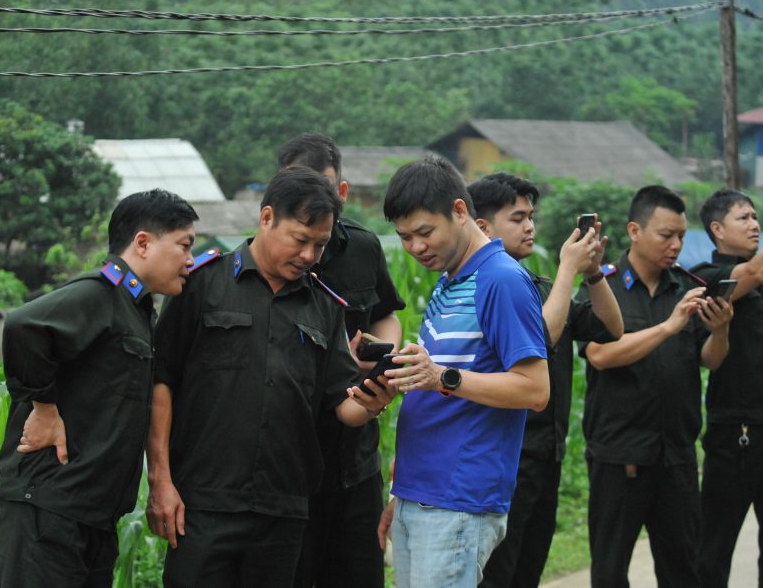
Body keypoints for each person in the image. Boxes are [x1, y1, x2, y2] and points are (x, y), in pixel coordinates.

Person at [145, 166, 396, 588]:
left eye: (320, 245)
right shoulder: (202, 284)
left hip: (284, 509)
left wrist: (374, 401)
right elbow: (161, 381)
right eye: (300, 240)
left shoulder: (324, 306)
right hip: (203, 504)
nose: (309, 255)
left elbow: (343, 405)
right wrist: (160, 481)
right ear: (266, 218)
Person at [0, 189, 199, 588]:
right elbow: (24, 326)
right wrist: (44, 408)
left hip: (91, 514)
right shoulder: (100, 293)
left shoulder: (136, 309)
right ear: (143, 243)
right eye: (184, 245)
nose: (190, 260)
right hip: (50, 508)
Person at [375, 156, 550, 588]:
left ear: (459, 210)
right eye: (405, 237)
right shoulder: (450, 280)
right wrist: (402, 491)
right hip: (421, 494)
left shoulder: (501, 279)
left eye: (425, 232)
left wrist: (443, 377)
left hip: (458, 499)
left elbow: (534, 389)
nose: (416, 247)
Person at [469, 173, 623, 588]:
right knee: (497, 575)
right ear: (483, 227)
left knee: (528, 572)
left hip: (547, 456)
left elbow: (612, 328)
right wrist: (569, 268)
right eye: (517, 218)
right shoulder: (484, 287)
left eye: (531, 217)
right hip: (505, 459)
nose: (530, 227)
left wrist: (593, 273)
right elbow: (538, 340)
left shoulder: (541, 287)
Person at [580, 185, 733, 588]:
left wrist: (720, 330)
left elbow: (711, 360)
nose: (676, 245)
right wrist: (667, 327)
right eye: (666, 235)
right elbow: (599, 354)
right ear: (635, 231)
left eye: (681, 235)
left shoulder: (686, 286)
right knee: (610, 573)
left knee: (683, 571)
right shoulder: (604, 284)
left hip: (677, 456)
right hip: (621, 456)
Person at [278, 134, 405, 588]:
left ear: (343, 191)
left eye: (325, 189)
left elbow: (387, 314)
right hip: (288, 465)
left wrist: (379, 353)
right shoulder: (266, 259)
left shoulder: (363, 249)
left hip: (355, 458)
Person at [691, 191, 763, 588]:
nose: (755, 224)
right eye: (744, 218)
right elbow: (755, 273)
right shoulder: (706, 277)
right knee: (713, 553)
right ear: (717, 229)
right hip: (734, 436)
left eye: (756, 217)